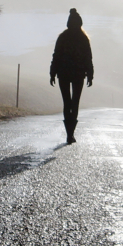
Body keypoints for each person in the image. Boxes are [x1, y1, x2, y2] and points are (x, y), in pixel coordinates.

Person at [50, 8, 93, 144]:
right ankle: (71, 134)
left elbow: (56, 56)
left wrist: (52, 73)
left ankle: (69, 132)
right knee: (75, 103)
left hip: (63, 74)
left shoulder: (62, 37)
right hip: (78, 75)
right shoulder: (84, 39)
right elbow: (88, 58)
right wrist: (90, 75)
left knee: (67, 102)